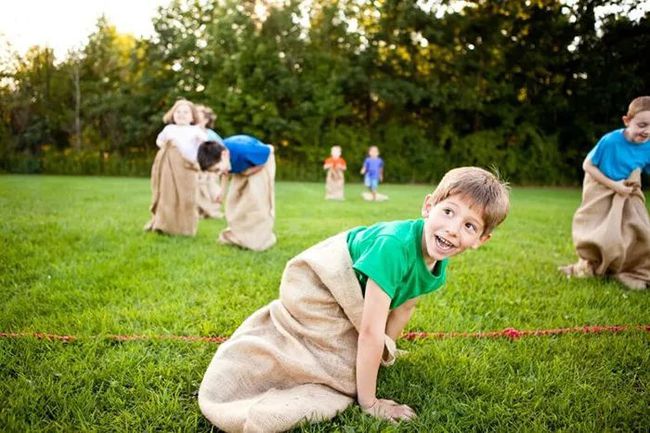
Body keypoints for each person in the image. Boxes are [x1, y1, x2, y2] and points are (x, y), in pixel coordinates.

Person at [198, 167, 510, 432]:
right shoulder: (393, 247)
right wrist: (370, 402)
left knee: (367, 353)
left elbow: (404, 305)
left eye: (469, 226)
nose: (453, 229)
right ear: (428, 207)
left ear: (481, 240)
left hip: (361, 289)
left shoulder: (437, 264)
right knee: (341, 362)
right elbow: (370, 332)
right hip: (321, 287)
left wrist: (387, 350)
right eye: (448, 212)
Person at [560, 96, 650, 290]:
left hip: (629, 191)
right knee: (604, 236)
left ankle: (631, 271)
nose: (647, 131)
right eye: (642, 125)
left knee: (641, 232)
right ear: (627, 121)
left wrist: (627, 186)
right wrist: (614, 186)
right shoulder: (610, 141)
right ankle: (591, 266)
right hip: (602, 187)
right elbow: (588, 165)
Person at [197, 134, 276, 251]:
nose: (218, 173)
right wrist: (222, 192)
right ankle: (239, 235)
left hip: (261, 164)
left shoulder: (244, 150)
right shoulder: (222, 157)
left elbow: (270, 151)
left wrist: (248, 172)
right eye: (214, 171)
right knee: (234, 201)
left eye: (217, 170)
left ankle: (260, 238)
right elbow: (225, 173)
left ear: (224, 155)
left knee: (256, 201)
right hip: (242, 167)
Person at [144, 99, 207, 236]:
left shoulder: (195, 130)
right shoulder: (169, 129)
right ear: (173, 115)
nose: (181, 114)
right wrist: (168, 147)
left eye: (185, 112)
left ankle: (186, 228)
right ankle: (165, 225)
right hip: (170, 169)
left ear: (192, 117)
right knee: (168, 197)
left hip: (188, 169)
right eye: (178, 112)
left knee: (188, 199)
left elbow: (206, 142)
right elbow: (159, 141)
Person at [195, 105, 227, 219]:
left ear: (206, 119)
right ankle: (199, 211)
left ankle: (213, 211)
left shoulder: (211, 134)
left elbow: (222, 148)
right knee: (198, 190)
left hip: (211, 167)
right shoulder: (190, 132)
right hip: (196, 166)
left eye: (199, 114)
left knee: (211, 188)